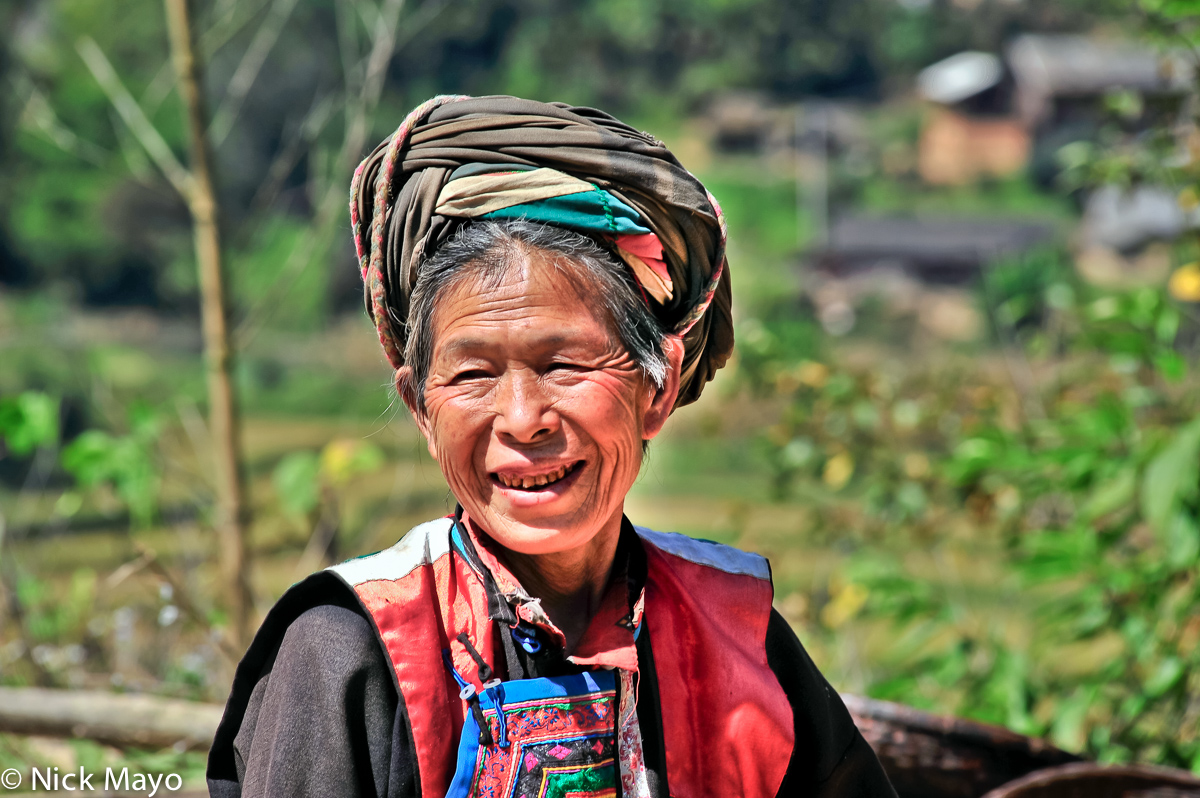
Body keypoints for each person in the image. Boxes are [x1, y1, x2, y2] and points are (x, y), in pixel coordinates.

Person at [207, 95, 896, 798]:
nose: (522, 419)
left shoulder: (735, 637)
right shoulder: (349, 651)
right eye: (473, 374)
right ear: (420, 407)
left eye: (565, 365)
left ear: (657, 390)